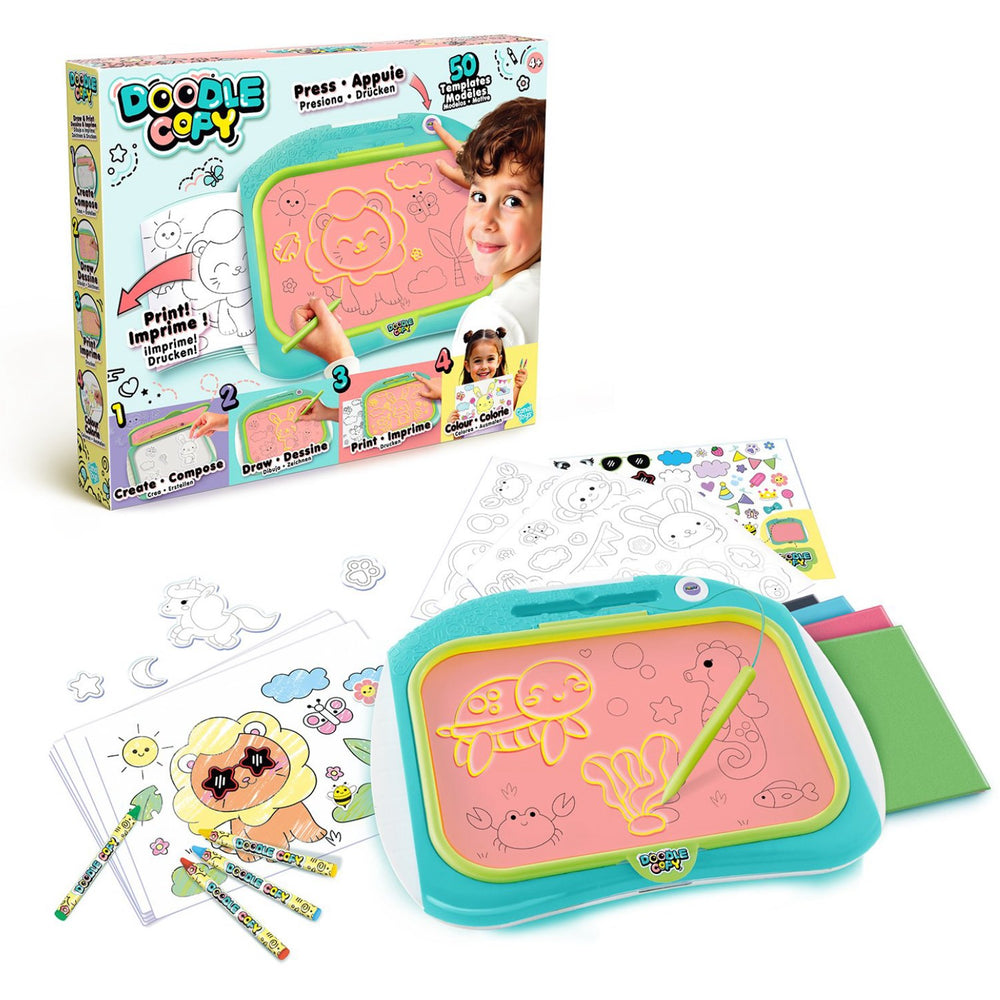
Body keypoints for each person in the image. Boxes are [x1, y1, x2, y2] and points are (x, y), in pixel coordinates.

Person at [417, 98, 544, 402]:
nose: (485, 222)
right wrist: (497, 181)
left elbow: (477, 414)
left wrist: (340, 357)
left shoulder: (488, 320)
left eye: (513, 201)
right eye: (478, 196)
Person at [447, 327, 528, 434]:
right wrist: (454, 426)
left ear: (498, 361)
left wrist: (517, 386)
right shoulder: (464, 400)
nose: (484, 366)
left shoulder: (500, 391)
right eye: (477, 361)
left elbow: (508, 408)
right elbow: (459, 438)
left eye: (490, 359)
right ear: (468, 366)